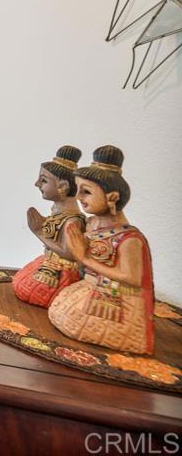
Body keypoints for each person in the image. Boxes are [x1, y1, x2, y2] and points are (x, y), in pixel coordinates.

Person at [48, 146, 155, 355]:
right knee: (59, 311)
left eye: (86, 191)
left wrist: (84, 257)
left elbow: (131, 277)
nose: (78, 197)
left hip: (118, 299)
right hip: (90, 288)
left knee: (70, 319)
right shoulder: (91, 225)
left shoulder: (130, 239)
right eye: (78, 190)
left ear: (112, 198)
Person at [13, 145, 86, 307]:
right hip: (48, 263)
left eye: (43, 180)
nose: (37, 184)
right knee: (20, 283)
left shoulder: (72, 221)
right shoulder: (59, 212)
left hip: (63, 271)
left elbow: (71, 253)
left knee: (26, 289)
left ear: (63, 186)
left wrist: (39, 231)